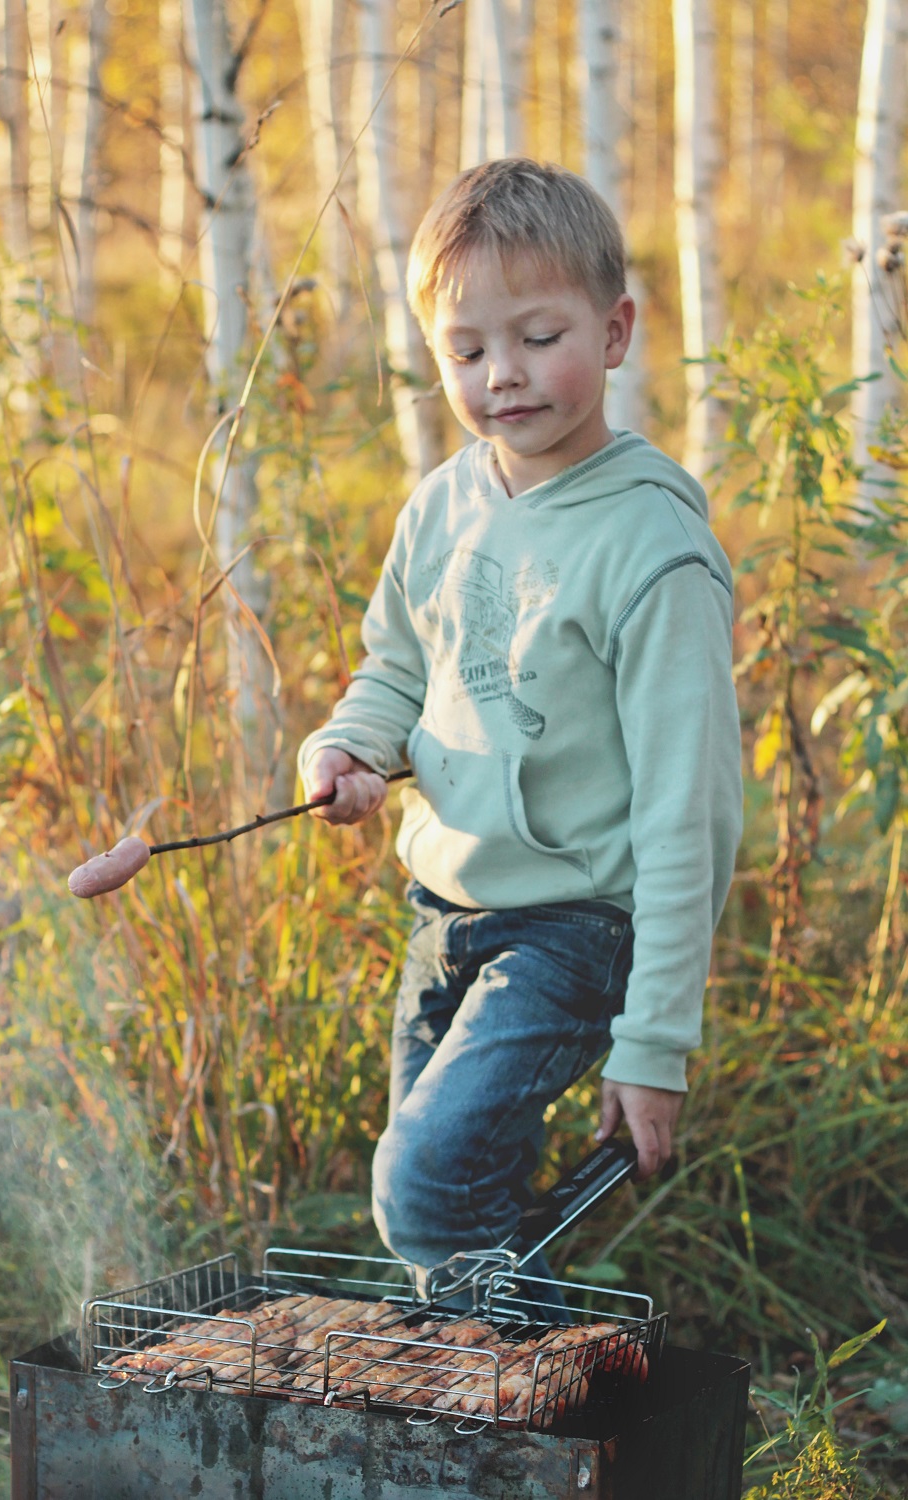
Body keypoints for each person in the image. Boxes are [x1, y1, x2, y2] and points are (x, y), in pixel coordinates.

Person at [298, 158, 743, 1291]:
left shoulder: (651, 551)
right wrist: (351, 750)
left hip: (573, 927)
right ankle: (505, 1439)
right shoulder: (443, 504)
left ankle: (554, 1410)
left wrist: (652, 1047)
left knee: (424, 1192)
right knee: (443, 1221)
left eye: (537, 336)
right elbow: (400, 667)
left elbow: (688, 816)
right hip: (443, 913)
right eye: (467, 350)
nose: (503, 376)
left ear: (614, 330)